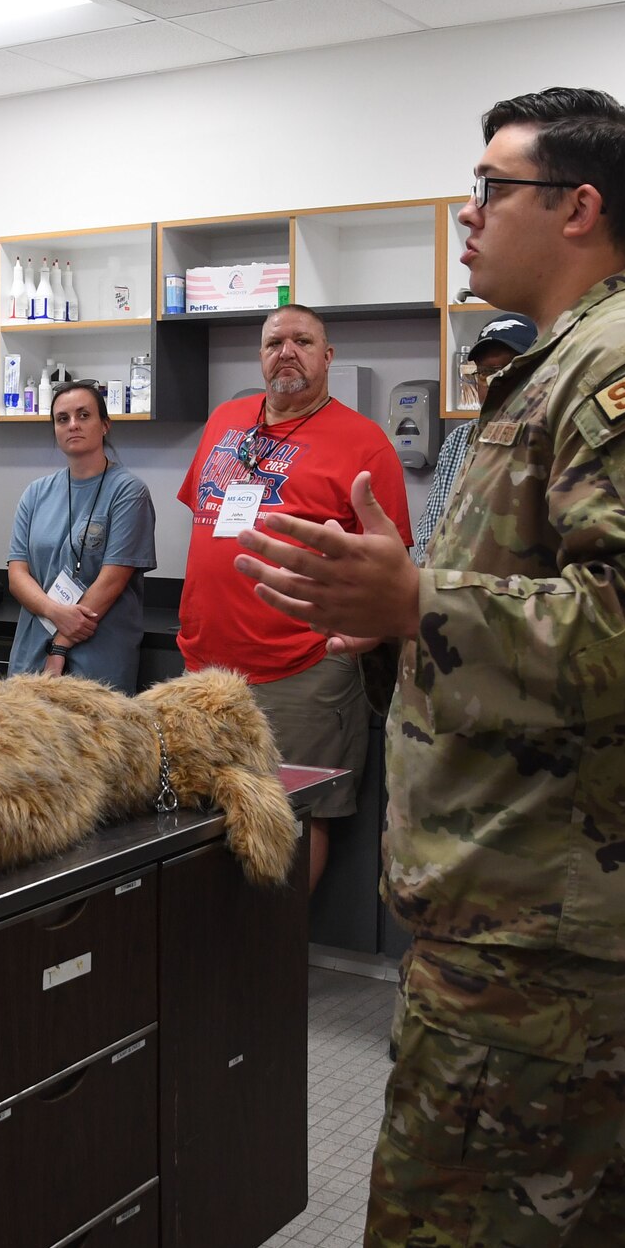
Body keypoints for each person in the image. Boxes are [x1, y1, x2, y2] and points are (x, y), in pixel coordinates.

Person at [234, 88, 625, 1248]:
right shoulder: (561, 361)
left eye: (486, 189)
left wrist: (417, 603)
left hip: (547, 915)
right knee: (578, 1217)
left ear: (577, 208)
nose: (463, 217)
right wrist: (404, 605)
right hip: (532, 894)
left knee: (450, 1239)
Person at [176, 305, 412, 891]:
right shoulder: (225, 422)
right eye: (274, 341)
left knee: (296, 816)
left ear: (328, 357)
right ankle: (224, 953)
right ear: (260, 356)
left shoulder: (365, 443)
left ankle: (274, 961)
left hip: (302, 662)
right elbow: (206, 522)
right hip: (205, 660)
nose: (287, 351)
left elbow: (393, 562)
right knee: (204, 811)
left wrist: (376, 628)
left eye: (303, 341)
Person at [6, 381, 156, 693]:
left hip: (98, 658)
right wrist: (54, 612)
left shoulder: (129, 492)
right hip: (33, 652)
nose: (73, 424)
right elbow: (17, 574)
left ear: (105, 425)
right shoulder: (35, 493)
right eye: (63, 419)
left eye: (83, 415)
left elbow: (112, 581)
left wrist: (60, 646)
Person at [410, 313, 536, 565]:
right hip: (453, 590)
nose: (492, 382)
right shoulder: (459, 440)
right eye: (484, 373)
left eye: (506, 371)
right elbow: (431, 530)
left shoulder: (550, 437)